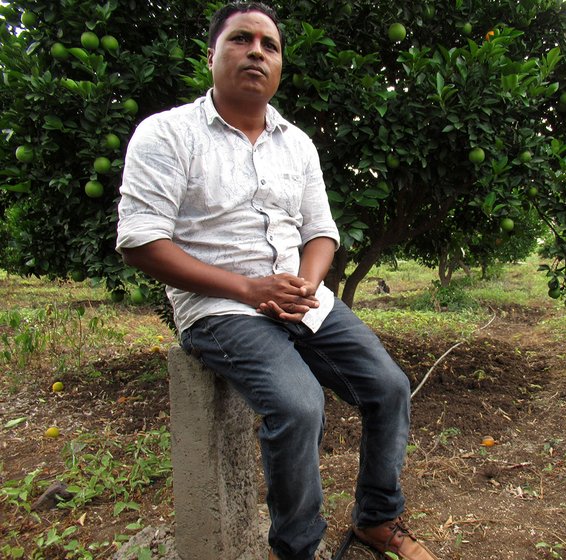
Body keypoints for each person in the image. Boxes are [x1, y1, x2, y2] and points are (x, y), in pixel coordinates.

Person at [115, 3, 438, 560]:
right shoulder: (167, 134)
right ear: (212, 54)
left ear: (280, 63)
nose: (257, 51)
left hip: (300, 299)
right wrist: (248, 289)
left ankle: (377, 520)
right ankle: (297, 548)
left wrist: (306, 284)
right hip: (220, 308)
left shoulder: (298, 143)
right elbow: (141, 241)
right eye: (241, 39)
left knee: (388, 388)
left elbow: (321, 232)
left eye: (270, 44)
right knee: (298, 405)